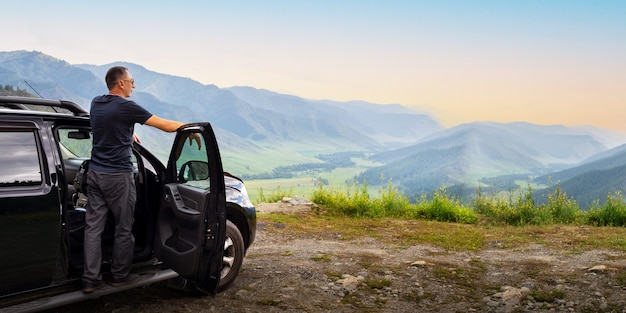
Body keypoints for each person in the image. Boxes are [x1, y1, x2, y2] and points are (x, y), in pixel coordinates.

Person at [82, 66, 200, 293]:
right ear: (121, 84)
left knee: (93, 228)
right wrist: (189, 128)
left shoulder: (97, 103)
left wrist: (127, 134)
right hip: (118, 176)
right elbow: (164, 125)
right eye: (132, 81)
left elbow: (106, 125)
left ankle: (91, 280)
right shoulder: (126, 106)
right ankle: (120, 275)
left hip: (96, 174)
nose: (134, 85)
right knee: (124, 227)